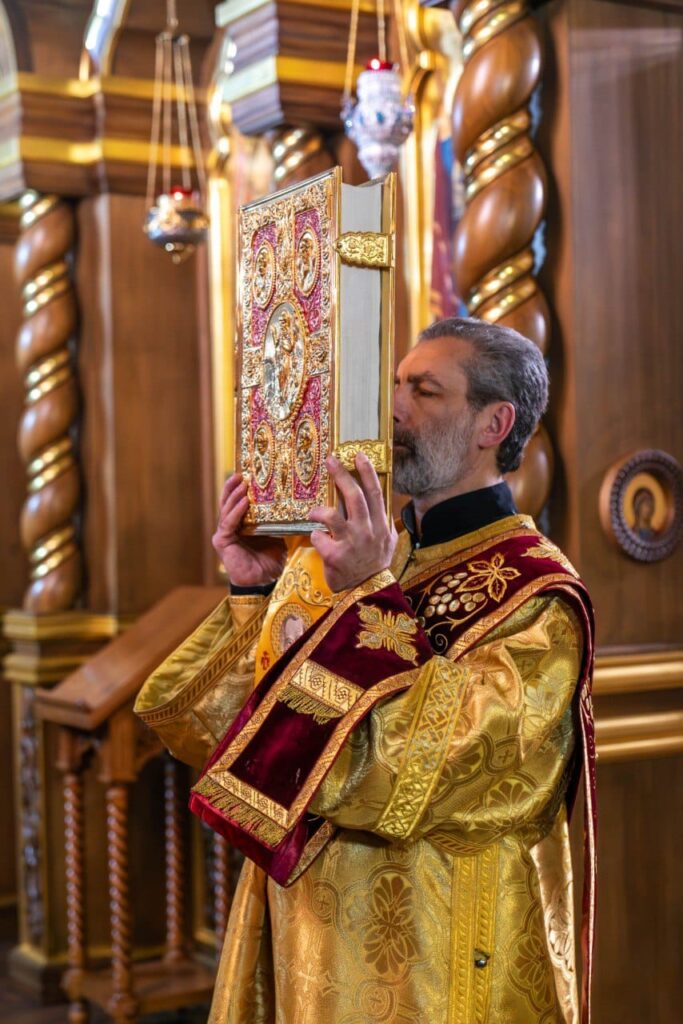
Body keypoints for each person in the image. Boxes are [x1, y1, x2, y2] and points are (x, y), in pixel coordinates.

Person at [135, 317, 595, 1024]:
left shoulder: (534, 598)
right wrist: (256, 589)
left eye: (425, 391)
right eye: (394, 385)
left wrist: (367, 594)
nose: (392, 407)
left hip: (430, 952)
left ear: (492, 424)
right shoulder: (364, 557)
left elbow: (410, 771)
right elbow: (230, 743)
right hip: (309, 934)